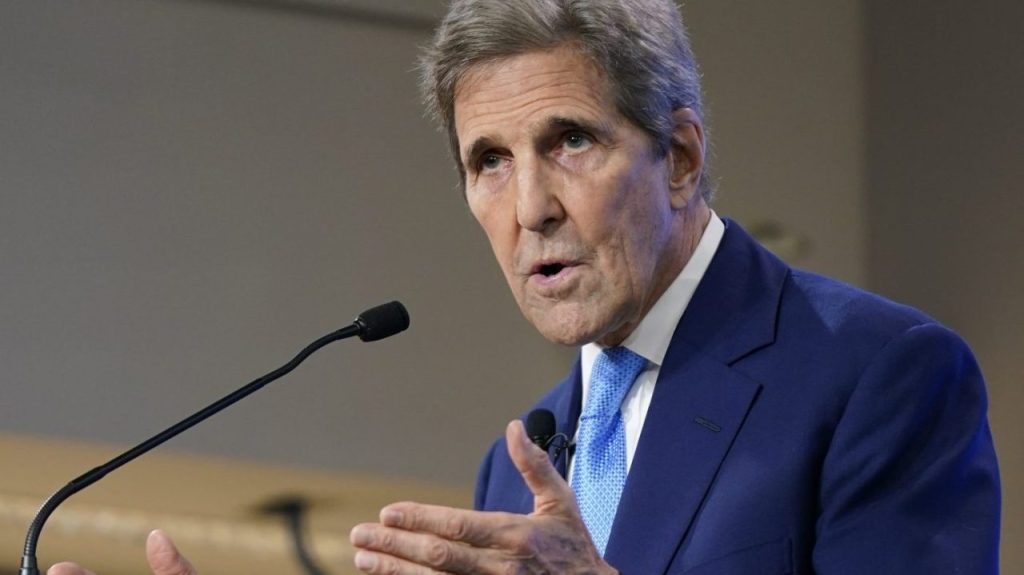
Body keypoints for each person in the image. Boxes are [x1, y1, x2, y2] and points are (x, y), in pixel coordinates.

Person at [49, 0, 1001, 574]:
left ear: (679, 157)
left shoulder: (879, 376)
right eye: (490, 162)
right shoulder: (516, 467)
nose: (531, 207)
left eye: (570, 140)